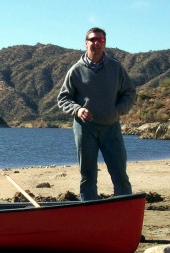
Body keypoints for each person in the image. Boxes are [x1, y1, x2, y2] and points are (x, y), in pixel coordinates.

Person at [57, 27, 136, 201]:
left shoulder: (116, 68)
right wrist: (78, 109)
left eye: (100, 40)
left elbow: (129, 92)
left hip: (111, 127)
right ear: (86, 43)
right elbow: (63, 98)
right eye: (92, 40)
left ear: (104, 43)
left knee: (119, 173)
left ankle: (124, 211)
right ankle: (89, 210)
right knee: (87, 175)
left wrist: (118, 110)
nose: (96, 43)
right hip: (85, 129)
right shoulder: (75, 70)